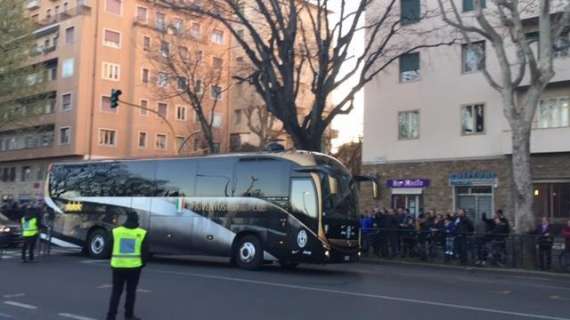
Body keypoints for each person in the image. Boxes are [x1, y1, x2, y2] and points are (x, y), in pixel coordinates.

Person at [106, 211, 148, 320]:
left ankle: (111, 316)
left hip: (118, 266)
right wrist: (141, 265)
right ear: (137, 220)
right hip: (134, 268)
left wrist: (113, 259)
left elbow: (108, 247)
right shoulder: (142, 233)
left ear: (127, 219)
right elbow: (145, 252)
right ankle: (128, 315)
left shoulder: (116, 231)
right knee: (131, 292)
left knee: (116, 292)